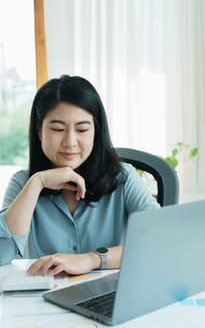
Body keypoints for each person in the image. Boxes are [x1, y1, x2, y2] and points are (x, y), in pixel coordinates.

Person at [0, 75, 159, 275]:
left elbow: (159, 240)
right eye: (58, 129)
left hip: (110, 296)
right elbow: (2, 254)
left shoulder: (123, 178)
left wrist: (92, 259)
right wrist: (38, 182)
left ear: (96, 131)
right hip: (44, 299)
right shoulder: (24, 183)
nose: (70, 141)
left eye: (82, 129)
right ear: (39, 131)